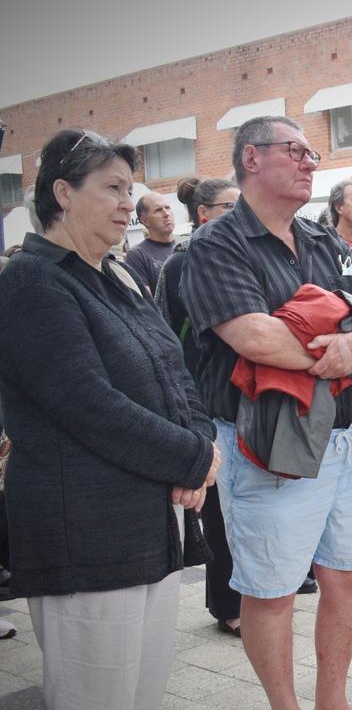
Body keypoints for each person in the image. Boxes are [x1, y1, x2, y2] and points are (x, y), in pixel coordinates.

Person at [0, 129, 220, 710]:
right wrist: (193, 457)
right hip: (86, 529)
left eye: (131, 188)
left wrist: (202, 445)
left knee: (141, 690)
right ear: (63, 193)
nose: (130, 202)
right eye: (113, 188)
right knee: (95, 693)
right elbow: (87, 404)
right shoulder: (32, 280)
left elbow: (177, 373)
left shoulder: (112, 275)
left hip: (151, 518)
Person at [182, 116, 352, 710]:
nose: (310, 162)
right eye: (296, 150)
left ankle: (334, 701)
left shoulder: (324, 240)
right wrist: (347, 342)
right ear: (251, 158)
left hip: (350, 435)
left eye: (312, 152)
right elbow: (254, 337)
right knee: (271, 588)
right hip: (268, 442)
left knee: (351, 573)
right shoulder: (215, 244)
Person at [161, 175, 250, 638]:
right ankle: (226, 603)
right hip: (204, 402)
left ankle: (258, 591)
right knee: (218, 511)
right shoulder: (181, 264)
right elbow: (165, 337)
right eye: (228, 205)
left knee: (251, 506)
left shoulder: (245, 254)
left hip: (248, 399)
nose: (238, 213)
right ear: (203, 213)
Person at [127, 192, 178, 292]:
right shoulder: (137, 255)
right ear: (145, 221)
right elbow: (146, 302)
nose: (166, 214)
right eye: (158, 210)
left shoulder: (184, 248)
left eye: (167, 208)